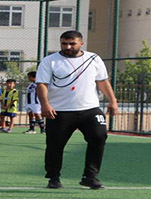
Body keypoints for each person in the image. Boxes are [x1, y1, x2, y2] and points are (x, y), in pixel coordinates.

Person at [36, 30, 119, 190]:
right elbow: (42, 84)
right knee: (55, 145)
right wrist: (45, 104)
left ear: (81, 43)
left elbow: (102, 81)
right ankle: (54, 177)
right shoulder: (49, 61)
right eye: (64, 44)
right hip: (60, 111)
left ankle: (90, 176)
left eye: (72, 43)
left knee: (99, 137)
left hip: (90, 109)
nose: (68, 47)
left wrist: (113, 100)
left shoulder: (93, 59)